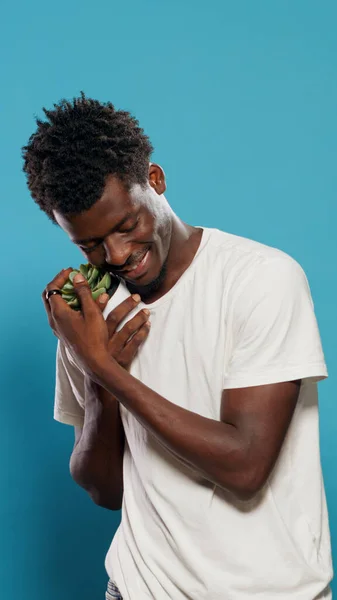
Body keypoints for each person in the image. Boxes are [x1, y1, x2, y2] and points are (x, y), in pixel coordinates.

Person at [22, 93, 333, 600]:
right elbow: (106, 490)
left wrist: (103, 366)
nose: (117, 255)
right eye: (90, 245)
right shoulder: (90, 315)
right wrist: (98, 383)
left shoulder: (260, 279)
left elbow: (246, 466)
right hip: (138, 588)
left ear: (156, 181)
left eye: (127, 225)